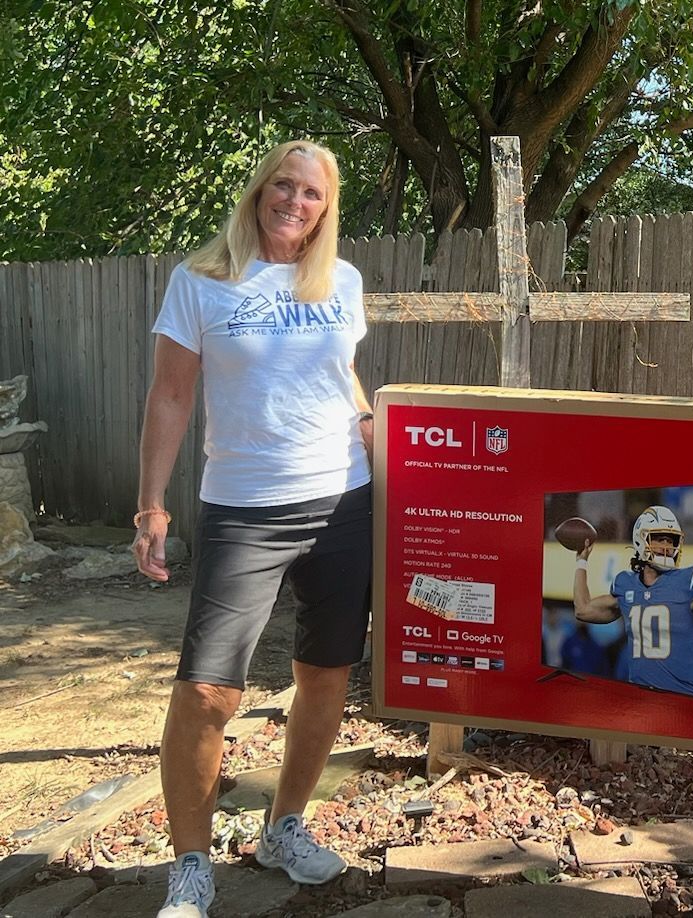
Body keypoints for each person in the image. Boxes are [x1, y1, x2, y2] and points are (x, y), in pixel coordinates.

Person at [131, 140, 374, 918]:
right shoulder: (201, 281)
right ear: (258, 190)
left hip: (345, 501)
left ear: (325, 210)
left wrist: (372, 423)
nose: (295, 203)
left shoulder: (342, 281)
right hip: (243, 506)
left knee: (327, 676)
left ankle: (285, 826)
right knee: (206, 691)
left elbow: (340, 375)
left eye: (312, 194)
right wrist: (152, 505)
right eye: (283, 186)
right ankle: (191, 866)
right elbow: (170, 396)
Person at [572, 505, 693, 695]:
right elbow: (583, 609)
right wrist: (581, 562)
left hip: (681, 705)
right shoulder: (625, 584)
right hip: (639, 703)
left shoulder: (691, 581)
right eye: (659, 538)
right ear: (640, 539)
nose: (666, 546)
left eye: (671, 540)